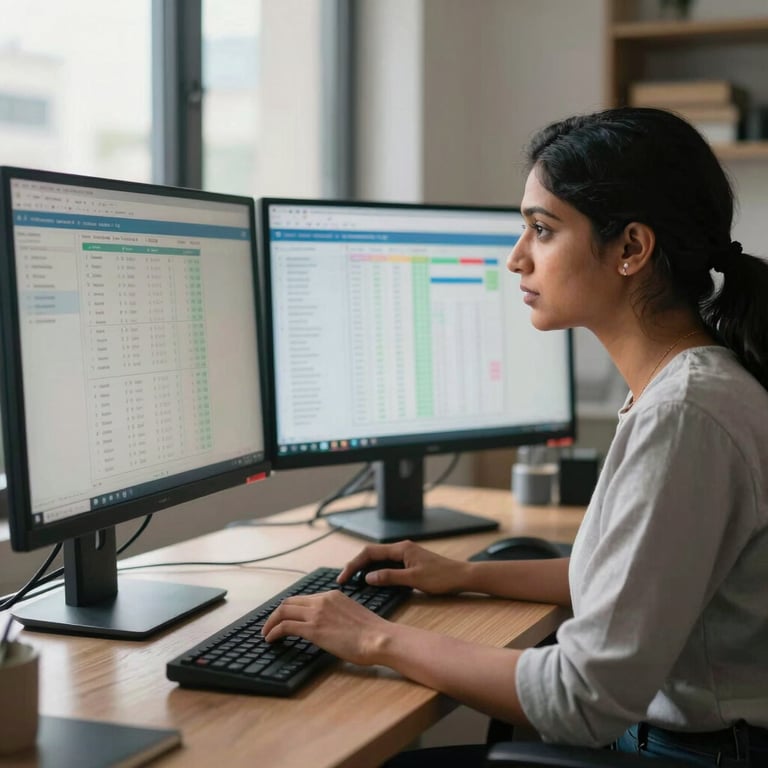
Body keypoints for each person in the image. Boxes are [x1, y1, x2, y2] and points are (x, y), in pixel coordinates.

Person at [262, 107, 768, 766]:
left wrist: (374, 638)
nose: (515, 258)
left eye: (541, 229)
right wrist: (469, 574)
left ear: (631, 250)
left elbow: (582, 698)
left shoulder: (686, 414)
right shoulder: (691, 385)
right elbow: (631, 584)